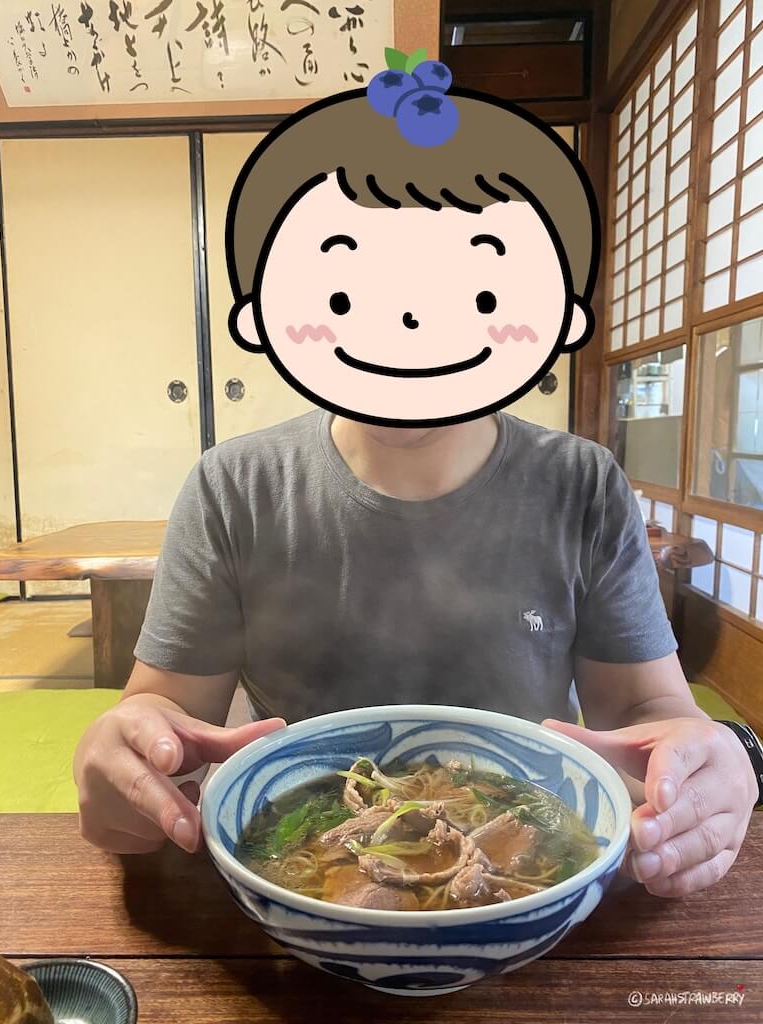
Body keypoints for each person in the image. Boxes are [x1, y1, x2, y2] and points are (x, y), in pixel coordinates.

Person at [74, 55, 758, 899]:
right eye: (348, 283)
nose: (406, 323)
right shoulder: (236, 488)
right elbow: (164, 722)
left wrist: (709, 762)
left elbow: (645, 713)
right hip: (295, 881)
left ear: (554, 316)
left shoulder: (581, 484)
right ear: (267, 310)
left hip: (531, 879)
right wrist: (121, 748)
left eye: (469, 290)